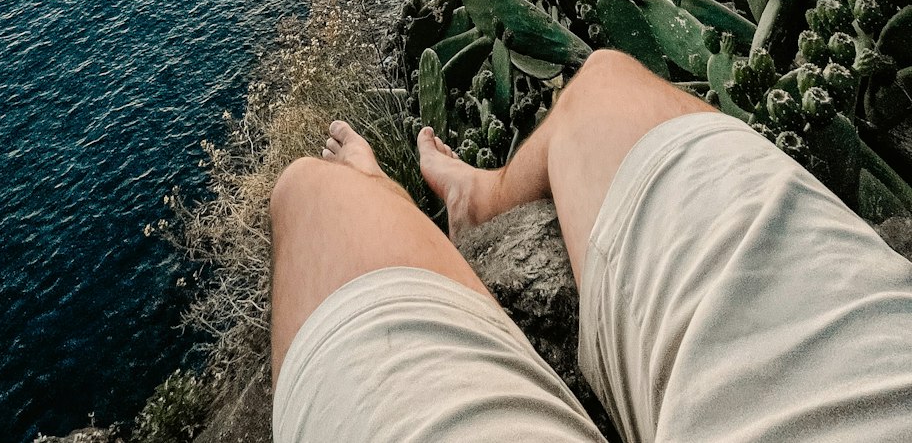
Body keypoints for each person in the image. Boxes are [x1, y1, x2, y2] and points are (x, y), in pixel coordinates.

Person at [269, 49, 912, 442]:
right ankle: (476, 200)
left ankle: (393, 202)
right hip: (873, 386)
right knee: (604, 79)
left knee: (308, 195)